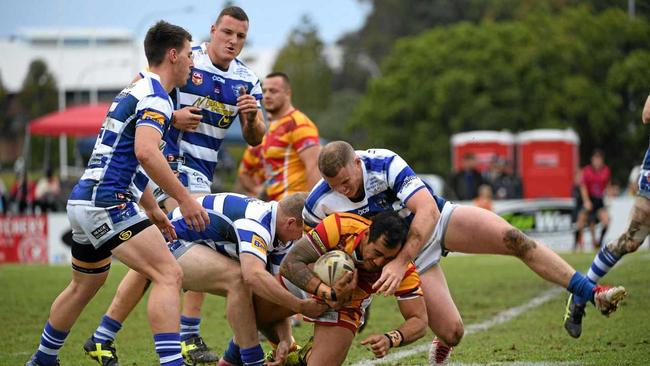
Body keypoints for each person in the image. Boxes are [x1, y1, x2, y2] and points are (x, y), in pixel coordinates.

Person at [304, 141, 628, 365]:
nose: (343, 190)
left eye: (347, 181)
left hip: (434, 225)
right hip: (403, 258)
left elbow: (427, 211)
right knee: (453, 332)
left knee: (514, 238)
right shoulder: (319, 201)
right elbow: (323, 251)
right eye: (336, 186)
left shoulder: (382, 162)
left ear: (357, 163)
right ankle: (442, 342)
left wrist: (400, 263)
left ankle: (590, 291)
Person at [85, 6, 267, 365]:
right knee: (199, 240)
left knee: (163, 254)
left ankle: (104, 335)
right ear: (213, 30)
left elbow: (256, 138)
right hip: (170, 171)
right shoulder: (186, 58)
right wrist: (173, 116)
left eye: (240, 36)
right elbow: (146, 93)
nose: (232, 41)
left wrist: (250, 118)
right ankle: (189, 335)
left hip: (203, 173)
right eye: (227, 32)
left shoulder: (247, 80)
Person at [25, 21, 208, 366]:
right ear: (172, 55)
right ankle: (173, 362)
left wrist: (153, 209)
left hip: (84, 200)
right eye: (188, 55)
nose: (192, 63)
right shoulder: (156, 97)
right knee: (169, 274)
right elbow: (146, 153)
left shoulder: (134, 90)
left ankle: (42, 360)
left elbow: (123, 158)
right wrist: (184, 199)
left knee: (84, 285)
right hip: (108, 204)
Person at [267, 211, 428, 365]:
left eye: (389, 258)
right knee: (254, 294)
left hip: (348, 304)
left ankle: (302, 356)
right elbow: (289, 265)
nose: (379, 263)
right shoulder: (340, 226)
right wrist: (329, 293)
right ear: (366, 235)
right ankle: (263, 351)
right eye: (377, 253)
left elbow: (419, 321)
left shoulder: (402, 269)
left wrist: (391, 338)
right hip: (309, 279)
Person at [563, 95, 650, 338]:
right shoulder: (589, 171)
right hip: (592, 200)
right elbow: (646, 114)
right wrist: (588, 200)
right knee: (630, 241)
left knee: (607, 223)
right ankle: (581, 294)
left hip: (599, 200)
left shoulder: (604, 171)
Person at [238, 72, 321, 201]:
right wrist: (257, 191)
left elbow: (314, 167)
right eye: (264, 91)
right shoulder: (264, 130)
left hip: (295, 206)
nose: (267, 96)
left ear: (288, 93)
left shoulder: (299, 123)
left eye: (273, 91)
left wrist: (311, 209)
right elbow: (244, 172)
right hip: (274, 210)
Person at [575, 149, 611, 250]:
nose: (597, 162)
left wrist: (609, 192)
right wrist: (586, 201)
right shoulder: (587, 170)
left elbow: (607, 185)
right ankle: (578, 244)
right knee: (582, 219)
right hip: (589, 198)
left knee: (606, 221)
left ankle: (599, 243)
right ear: (592, 160)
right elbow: (583, 186)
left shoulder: (606, 170)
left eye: (599, 159)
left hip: (599, 200)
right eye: (596, 159)